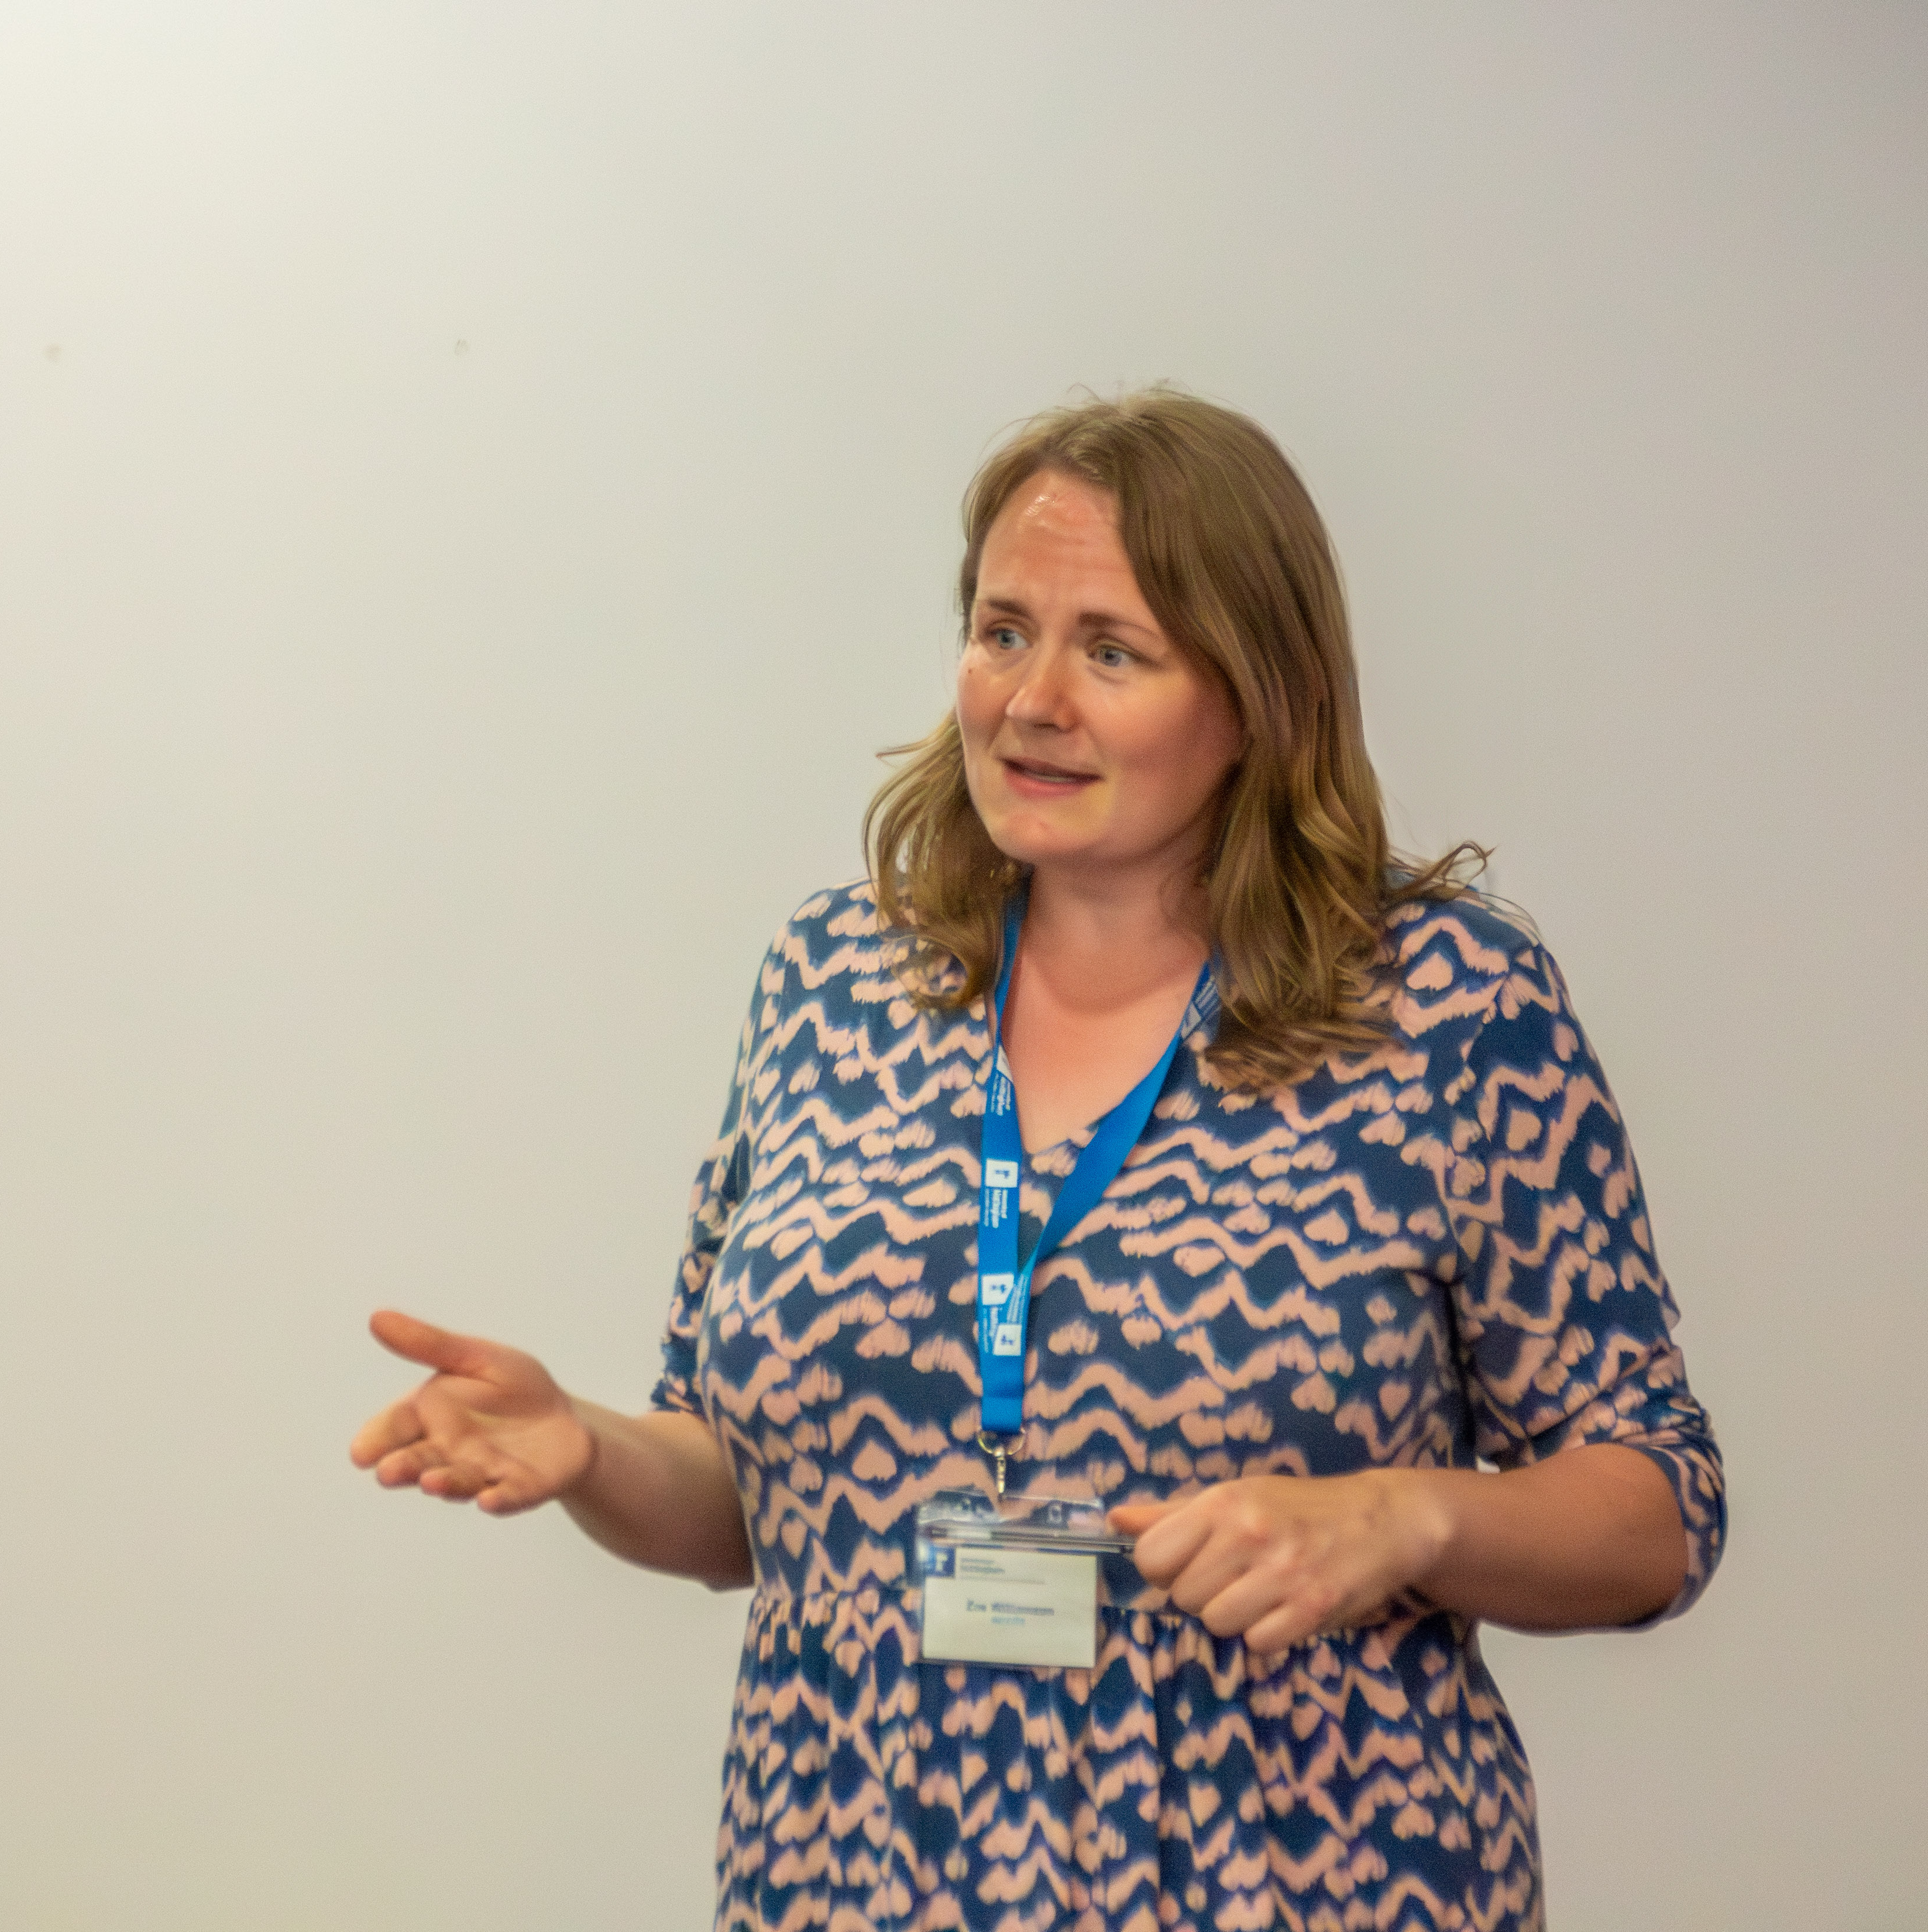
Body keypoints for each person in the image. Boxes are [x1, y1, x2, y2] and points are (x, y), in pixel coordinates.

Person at [349, 390, 1724, 1931]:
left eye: (1111, 651)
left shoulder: (1443, 1011)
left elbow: (1653, 1507)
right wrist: (591, 1452)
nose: (1031, 700)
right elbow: (751, 1502)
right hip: (850, 1879)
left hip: (1299, 1882)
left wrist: (1404, 1516)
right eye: (1001, 631)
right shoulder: (836, 981)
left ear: (1257, 696)